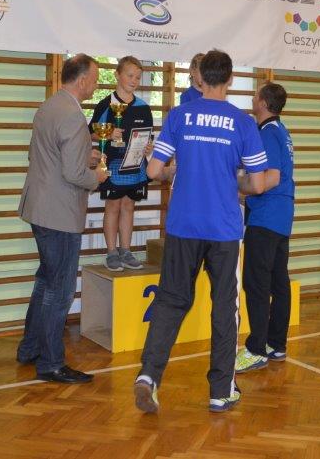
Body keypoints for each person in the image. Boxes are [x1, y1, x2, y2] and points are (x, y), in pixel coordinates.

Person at [134, 50, 267, 414]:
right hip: (223, 228)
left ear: (199, 78)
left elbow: (153, 171)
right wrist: (229, 180)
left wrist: (176, 170)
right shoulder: (242, 123)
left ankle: (148, 375)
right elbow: (257, 183)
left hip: (183, 224)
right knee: (225, 307)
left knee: (170, 300)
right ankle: (220, 391)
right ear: (230, 80)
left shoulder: (179, 116)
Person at [16, 54, 108, 384]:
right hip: (59, 213)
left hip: (39, 207)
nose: (95, 85)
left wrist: (85, 155)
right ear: (82, 80)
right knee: (60, 289)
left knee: (46, 281)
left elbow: (44, 154)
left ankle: (30, 348)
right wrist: (96, 175)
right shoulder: (72, 115)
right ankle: (51, 363)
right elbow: (73, 174)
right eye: (94, 80)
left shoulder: (49, 106)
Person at [235, 83, 295, 373]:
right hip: (280, 216)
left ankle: (256, 349)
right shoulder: (280, 130)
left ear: (262, 102)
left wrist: (239, 186)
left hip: (266, 217)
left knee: (257, 283)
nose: (252, 97)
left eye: (255, 94)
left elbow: (270, 178)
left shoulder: (268, 133)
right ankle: (276, 344)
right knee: (278, 282)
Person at [89, 55, 153, 272]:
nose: (134, 80)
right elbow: (91, 132)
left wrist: (148, 148)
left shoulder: (143, 107)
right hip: (113, 164)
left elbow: (147, 136)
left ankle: (126, 250)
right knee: (113, 206)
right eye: (129, 75)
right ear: (117, 75)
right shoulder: (105, 104)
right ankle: (111, 252)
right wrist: (107, 135)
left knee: (129, 206)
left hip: (135, 165)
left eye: (137, 77)